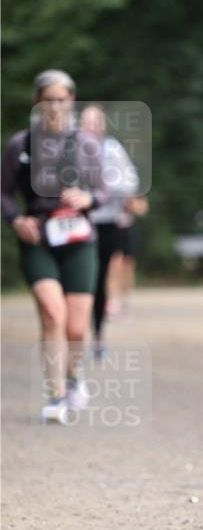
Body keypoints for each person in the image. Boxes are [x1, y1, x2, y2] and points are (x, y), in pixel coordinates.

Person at [1, 70, 106, 423]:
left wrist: (87, 197)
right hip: (39, 240)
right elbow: (3, 193)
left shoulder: (86, 144)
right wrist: (16, 219)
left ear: (71, 102)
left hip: (79, 241)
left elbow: (104, 192)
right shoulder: (21, 145)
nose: (56, 106)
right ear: (38, 103)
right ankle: (56, 395)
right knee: (52, 314)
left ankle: (74, 377)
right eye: (49, 100)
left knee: (76, 329)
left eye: (62, 99)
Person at [80, 104, 140, 356]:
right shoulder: (71, 149)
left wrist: (102, 189)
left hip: (106, 224)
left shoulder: (112, 149)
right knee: (78, 281)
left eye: (97, 122)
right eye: (87, 121)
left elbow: (131, 182)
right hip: (78, 223)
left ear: (102, 125)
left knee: (98, 279)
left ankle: (97, 335)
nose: (92, 126)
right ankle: (73, 333)